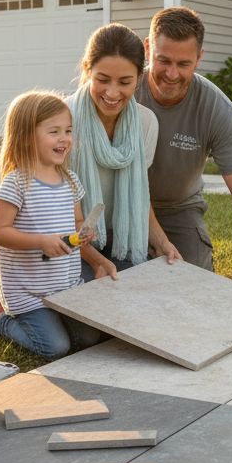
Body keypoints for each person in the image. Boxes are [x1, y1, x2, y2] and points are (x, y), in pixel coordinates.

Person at [134, 7, 232, 300]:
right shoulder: (123, 91)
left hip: (179, 209)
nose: (172, 73)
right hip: (121, 206)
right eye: (163, 60)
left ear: (199, 58)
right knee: (122, 292)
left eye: (184, 63)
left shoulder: (216, 107)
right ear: (148, 48)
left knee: (197, 295)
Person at [0, 92, 102, 359]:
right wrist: (41, 241)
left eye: (68, 131)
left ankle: (54, 319)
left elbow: (77, 221)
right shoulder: (17, 183)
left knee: (89, 337)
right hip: (29, 292)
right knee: (55, 347)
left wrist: (84, 234)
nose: (65, 139)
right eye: (54, 132)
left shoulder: (70, 180)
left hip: (65, 286)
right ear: (27, 137)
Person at [65, 23, 180, 278]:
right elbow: (47, 209)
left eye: (125, 82)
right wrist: (96, 261)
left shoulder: (146, 123)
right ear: (87, 70)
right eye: (103, 80)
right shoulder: (63, 121)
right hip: (66, 241)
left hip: (122, 238)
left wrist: (162, 242)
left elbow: (140, 195)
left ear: (139, 78)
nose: (112, 92)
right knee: (82, 313)